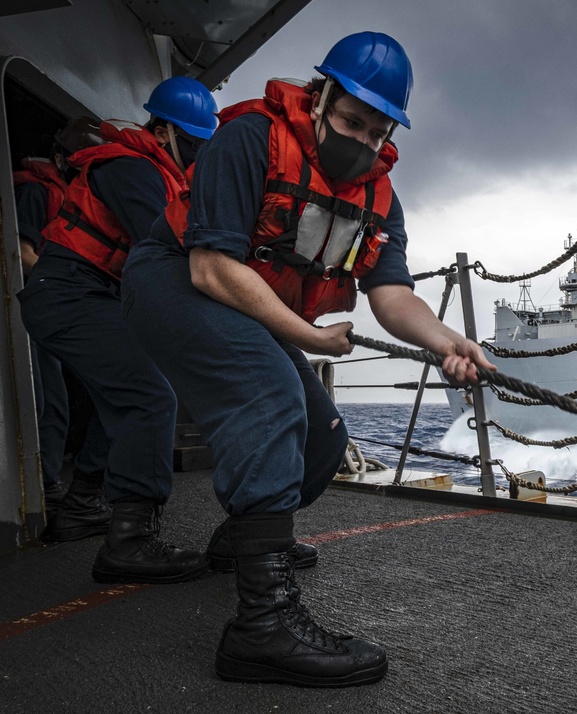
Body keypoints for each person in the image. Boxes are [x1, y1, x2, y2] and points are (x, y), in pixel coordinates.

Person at [121, 31, 495, 687]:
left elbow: (391, 294)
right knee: (272, 396)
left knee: (322, 439)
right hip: (173, 282)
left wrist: (445, 342)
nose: (364, 142)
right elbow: (211, 268)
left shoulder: (378, 201)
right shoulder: (250, 140)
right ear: (319, 99)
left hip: (248, 306)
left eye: (379, 132)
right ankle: (260, 628)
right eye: (353, 121)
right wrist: (310, 336)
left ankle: (243, 542)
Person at [18, 76, 219, 582]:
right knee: (149, 397)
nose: (194, 153)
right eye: (191, 142)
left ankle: (85, 503)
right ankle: (129, 543)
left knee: (130, 396)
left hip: (93, 296)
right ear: (165, 130)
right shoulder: (131, 169)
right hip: (66, 294)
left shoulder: (159, 175)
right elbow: (169, 248)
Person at [13, 117, 105, 519]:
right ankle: (44, 485)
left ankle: (50, 478)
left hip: (54, 299)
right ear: (59, 157)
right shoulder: (35, 191)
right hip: (29, 303)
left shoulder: (70, 195)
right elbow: (22, 254)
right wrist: (74, 277)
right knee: (44, 398)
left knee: (61, 398)